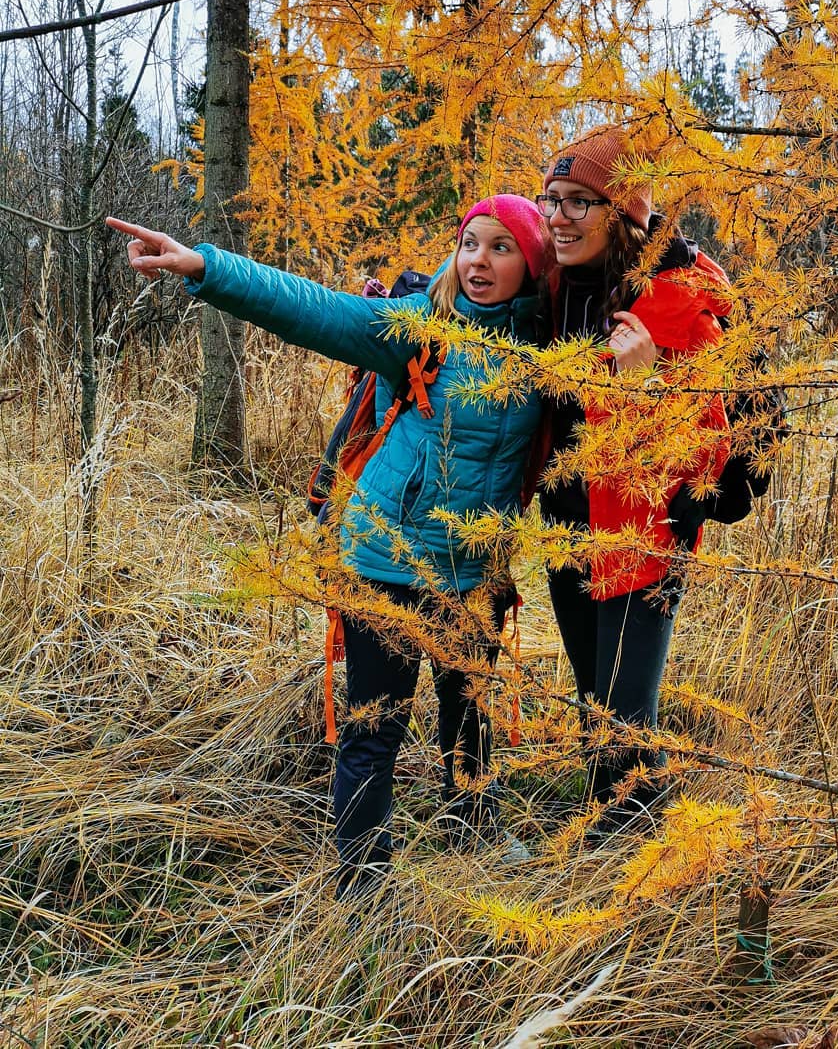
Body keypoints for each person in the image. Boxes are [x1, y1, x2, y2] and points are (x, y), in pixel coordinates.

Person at [106, 196, 551, 894]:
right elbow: (314, 309)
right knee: (376, 727)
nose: (479, 262)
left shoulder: (548, 349)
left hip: (476, 572)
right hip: (387, 558)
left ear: (533, 262)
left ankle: (474, 831)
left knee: (472, 714)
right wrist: (205, 266)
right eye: (470, 243)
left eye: (501, 248)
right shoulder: (419, 329)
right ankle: (362, 886)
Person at [533, 125, 731, 836]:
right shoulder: (556, 288)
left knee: (626, 715)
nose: (557, 216)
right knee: (596, 701)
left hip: (646, 532)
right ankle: (606, 840)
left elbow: (707, 457)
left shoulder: (679, 303)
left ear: (624, 212)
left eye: (579, 201)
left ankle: (636, 876)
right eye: (551, 198)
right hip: (565, 521)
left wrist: (645, 388)